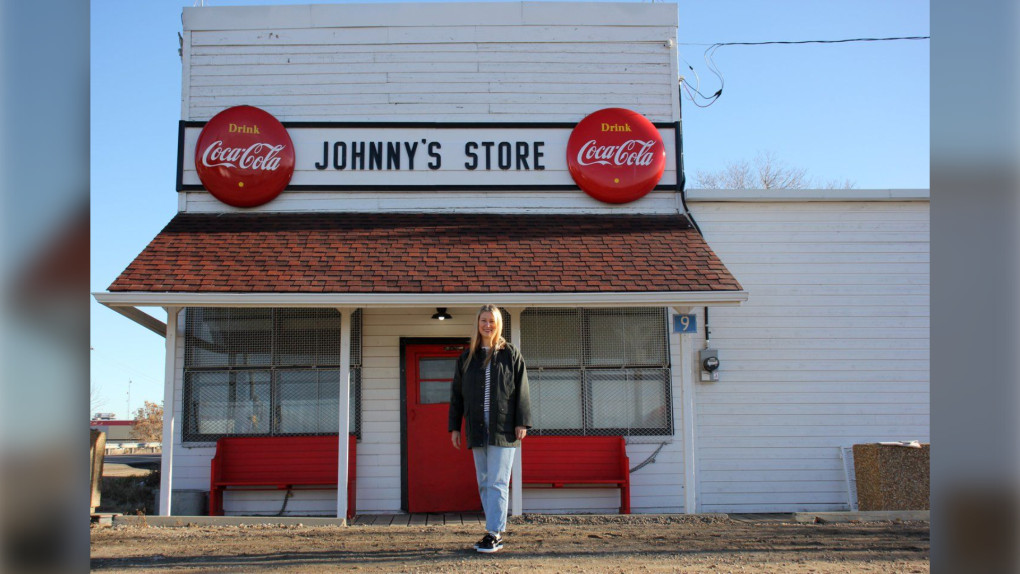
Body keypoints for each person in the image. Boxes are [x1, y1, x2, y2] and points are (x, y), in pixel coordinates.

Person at [448, 305, 531, 553]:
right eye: (484, 321)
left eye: (492, 321)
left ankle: (494, 533)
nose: (487, 325)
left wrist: (522, 421)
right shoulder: (467, 358)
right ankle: (492, 529)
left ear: (498, 324)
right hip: (476, 426)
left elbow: (522, 389)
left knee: (497, 481)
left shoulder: (511, 355)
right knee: (484, 481)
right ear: (478, 324)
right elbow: (457, 396)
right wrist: (455, 427)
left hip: (503, 427)